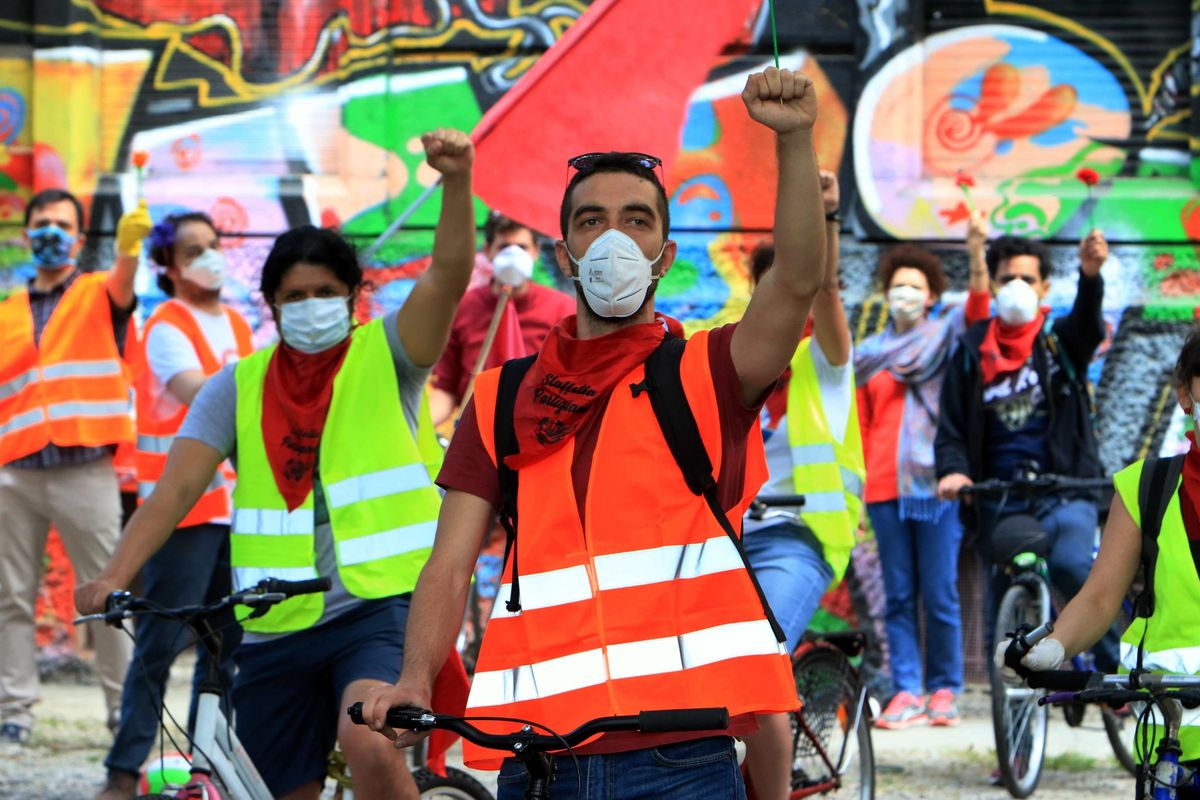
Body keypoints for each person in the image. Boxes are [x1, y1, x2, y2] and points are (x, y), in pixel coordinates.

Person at [362, 67, 825, 799]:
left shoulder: (709, 371)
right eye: (591, 221)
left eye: (637, 220)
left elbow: (796, 280)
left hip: (684, 756)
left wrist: (794, 140)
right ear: (566, 255)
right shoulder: (499, 398)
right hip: (539, 757)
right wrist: (415, 677)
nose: (614, 237)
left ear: (664, 256)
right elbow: (449, 562)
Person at [76, 128, 476, 800]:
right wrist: (113, 576)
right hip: (274, 622)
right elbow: (173, 493)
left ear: (352, 297)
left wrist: (457, 181)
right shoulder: (236, 388)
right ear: (273, 305)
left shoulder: (391, 354)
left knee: (368, 739)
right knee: (271, 789)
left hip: (382, 605)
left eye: (325, 291)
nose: (310, 306)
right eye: (294, 296)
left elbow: (447, 275)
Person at [97, 211, 255, 800]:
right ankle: (122, 772)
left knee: (224, 648)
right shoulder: (165, 325)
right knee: (159, 643)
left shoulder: (236, 322)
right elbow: (208, 396)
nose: (210, 257)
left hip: (236, 509)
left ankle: (202, 770)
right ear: (167, 265)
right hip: (184, 513)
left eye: (213, 245)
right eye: (193, 250)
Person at [996, 326, 1200, 767]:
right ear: (1186, 394)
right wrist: (1053, 648)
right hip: (1172, 746)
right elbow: (1100, 597)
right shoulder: (1145, 487)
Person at [0, 189, 151, 748]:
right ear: (26, 234)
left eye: (62, 225)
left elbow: (124, 282)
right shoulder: (7, 312)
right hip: (15, 472)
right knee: (11, 597)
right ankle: (14, 710)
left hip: (84, 468)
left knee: (108, 594)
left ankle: (122, 712)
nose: (51, 232)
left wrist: (129, 249)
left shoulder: (97, 292)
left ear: (79, 238)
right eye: (42, 223)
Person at [936, 229, 1122, 675]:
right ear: (993, 285)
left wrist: (1090, 275)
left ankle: (1116, 668)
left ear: (1044, 287)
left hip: (1066, 489)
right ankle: (1013, 696)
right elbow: (952, 429)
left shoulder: (1060, 342)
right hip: (1000, 495)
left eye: (1027, 278)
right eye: (1007, 278)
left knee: (1073, 566)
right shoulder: (970, 350)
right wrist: (954, 472)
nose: (1016, 286)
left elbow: (1088, 326)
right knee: (1003, 590)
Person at [739, 170, 863, 799]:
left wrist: (826, 217)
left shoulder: (825, 363)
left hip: (800, 538)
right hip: (724, 538)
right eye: (774, 286)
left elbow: (828, 289)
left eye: (797, 284)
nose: (786, 298)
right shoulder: (730, 360)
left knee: (757, 665)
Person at [854, 219, 989, 731]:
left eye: (915, 285)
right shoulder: (869, 355)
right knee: (898, 595)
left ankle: (944, 689)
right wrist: (860, 486)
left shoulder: (947, 338)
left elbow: (979, 310)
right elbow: (863, 425)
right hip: (884, 488)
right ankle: (906, 690)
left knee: (940, 591)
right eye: (897, 285)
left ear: (932, 295)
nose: (905, 293)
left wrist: (976, 254)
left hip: (937, 485)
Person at [429, 212, 575, 426]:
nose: (513, 255)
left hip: (537, 430)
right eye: (504, 247)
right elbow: (446, 390)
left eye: (522, 247)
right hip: (476, 428)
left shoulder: (563, 310)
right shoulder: (464, 307)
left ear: (535, 251)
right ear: (488, 251)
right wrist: (415, 432)